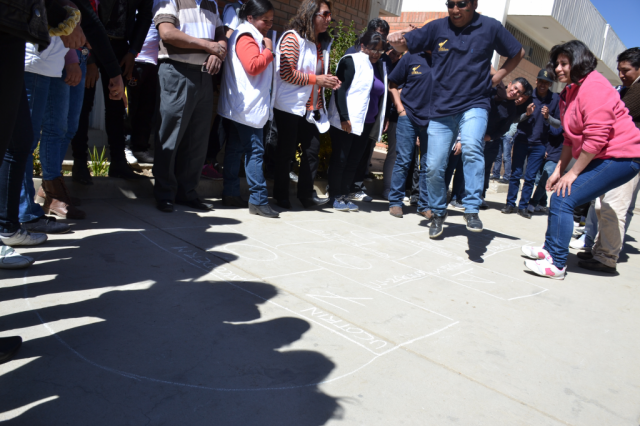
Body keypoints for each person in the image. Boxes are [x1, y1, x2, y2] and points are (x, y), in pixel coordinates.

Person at [388, 0, 525, 238]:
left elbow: (518, 52)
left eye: (461, 4)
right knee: (433, 166)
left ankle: (471, 207)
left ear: (473, 3)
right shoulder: (437, 27)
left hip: (475, 103)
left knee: (471, 146)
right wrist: (395, 38)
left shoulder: (490, 27)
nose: (454, 9)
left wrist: (496, 78)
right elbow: (405, 43)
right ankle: (438, 212)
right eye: (450, 4)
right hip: (441, 108)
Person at [522, 40, 640, 280]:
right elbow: (569, 136)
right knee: (560, 194)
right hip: (603, 155)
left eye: (564, 63)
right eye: (557, 64)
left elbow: (596, 138)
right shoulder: (571, 90)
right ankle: (550, 249)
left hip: (622, 156)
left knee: (564, 198)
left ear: (579, 62)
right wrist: (559, 170)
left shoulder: (594, 86)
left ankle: (557, 264)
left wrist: (573, 173)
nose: (558, 69)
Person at [152, 0, 228, 212]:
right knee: (171, 135)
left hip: (204, 76)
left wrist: (217, 52)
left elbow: (221, 36)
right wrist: (207, 46)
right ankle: (165, 193)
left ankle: (187, 192)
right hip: (177, 70)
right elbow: (167, 32)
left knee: (197, 139)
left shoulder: (211, 3)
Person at [71, 0, 153, 180]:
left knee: (116, 106)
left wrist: (133, 52)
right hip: (91, 43)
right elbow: (87, 11)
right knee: (84, 104)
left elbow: (146, 15)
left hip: (120, 47)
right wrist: (90, 60)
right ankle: (79, 162)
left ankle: (118, 162)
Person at [576, 47, 640, 273]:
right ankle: (600, 250)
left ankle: (606, 257)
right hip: (616, 154)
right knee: (603, 205)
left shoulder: (637, 90)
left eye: (626, 70)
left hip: (628, 155)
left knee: (614, 207)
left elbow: (617, 113)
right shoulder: (627, 89)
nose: (621, 75)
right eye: (619, 70)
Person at [272, 0, 340, 209]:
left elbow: (318, 75)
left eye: (329, 15)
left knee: (312, 151)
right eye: (325, 14)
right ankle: (281, 196)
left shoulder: (322, 44)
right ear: (310, 14)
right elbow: (286, 73)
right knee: (286, 153)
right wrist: (317, 79)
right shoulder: (292, 38)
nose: (329, 19)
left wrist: (328, 81)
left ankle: (306, 195)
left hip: (311, 108)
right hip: (289, 106)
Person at [218, 0, 279, 218]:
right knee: (255, 151)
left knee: (235, 149)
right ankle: (259, 200)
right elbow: (253, 66)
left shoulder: (247, 33)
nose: (269, 25)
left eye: (271, 21)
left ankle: (231, 193)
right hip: (247, 107)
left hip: (242, 106)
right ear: (250, 18)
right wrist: (269, 50)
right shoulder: (246, 36)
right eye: (265, 20)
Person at [21, 39, 88, 225]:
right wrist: (72, 58)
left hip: (59, 58)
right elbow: (63, 25)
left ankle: (49, 191)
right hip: (41, 59)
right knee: (28, 138)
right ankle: (26, 211)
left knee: (61, 129)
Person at [327, 31, 388, 212]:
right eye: (373, 49)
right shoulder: (350, 61)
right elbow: (340, 90)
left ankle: (345, 195)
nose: (376, 54)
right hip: (347, 122)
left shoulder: (375, 66)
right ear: (362, 46)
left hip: (364, 123)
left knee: (353, 161)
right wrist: (344, 117)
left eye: (380, 51)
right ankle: (335, 196)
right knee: (341, 160)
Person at [502, 69, 560, 219]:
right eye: (541, 81)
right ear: (536, 81)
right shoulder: (527, 95)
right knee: (515, 174)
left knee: (530, 177)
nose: (543, 85)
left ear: (550, 84)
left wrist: (548, 117)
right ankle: (510, 204)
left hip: (539, 145)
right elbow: (514, 118)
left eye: (546, 82)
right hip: (522, 140)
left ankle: (523, 207)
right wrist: (526, 114)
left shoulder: (555, 99)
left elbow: (558, 123)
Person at [345, 18, 391, 203]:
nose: (380, 40)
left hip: (371, 117)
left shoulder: (383, 59)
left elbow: (386, 88)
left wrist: (385, 115)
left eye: (384, 36)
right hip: (353, 115)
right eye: (378, 34)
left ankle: (355, 187)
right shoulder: (354, 53)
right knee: (345, 154)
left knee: (361, 155)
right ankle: (338, 187)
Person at [387, 47, 432, 219]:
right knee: (403, 161)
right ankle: (395, 202)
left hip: (433, 121)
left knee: (428, 165)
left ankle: (424, 205)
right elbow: (392, 84)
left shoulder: (445, 58)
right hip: (408, 116)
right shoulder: (411, 57)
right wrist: (400, 109)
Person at [481, 78, 532, 205]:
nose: (514, 92)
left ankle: (480, 196)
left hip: (490, 141)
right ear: (509, 84)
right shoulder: (493, 92)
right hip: (474, 135)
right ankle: (457, 196)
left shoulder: (512, 109)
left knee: (485, 169)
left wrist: (490, 137)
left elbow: (503, 129)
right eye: (514, 88)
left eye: (519, 92)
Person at [126, 23, 160, 164]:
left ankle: (140, 148)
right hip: (134, 61)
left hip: (154, 63)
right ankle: (126, 146)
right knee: (130, 107)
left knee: (147, 108)